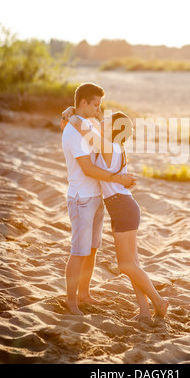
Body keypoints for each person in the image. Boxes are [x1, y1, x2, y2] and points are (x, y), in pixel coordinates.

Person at [62, 106, 169, 320]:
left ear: (113, 129)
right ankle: (144, 311)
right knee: (133, 265)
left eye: (107, 120)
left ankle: (159, 301)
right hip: (122, 207)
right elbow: (94, 130)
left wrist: (70, 115)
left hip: (122, 208)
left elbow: (85, 131)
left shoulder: (109, 147)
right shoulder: (117, 147)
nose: (102, 119)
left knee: (126, 265)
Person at [61, 82, 136, 315]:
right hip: (81, 198)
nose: (99, 110)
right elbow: (88, 169)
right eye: (95, 104)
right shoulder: (74, 131)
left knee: (92, 249)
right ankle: (71, 301)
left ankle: (84, 294)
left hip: (96, 198)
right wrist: (117, 178)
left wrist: (68, 112)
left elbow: (99, 137)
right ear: (84, 102)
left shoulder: (87, 124)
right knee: (79, 251)